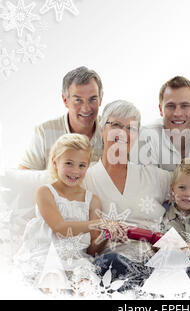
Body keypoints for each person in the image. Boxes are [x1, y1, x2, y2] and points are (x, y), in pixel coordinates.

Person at [14, 134, 124, 292]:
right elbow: (60, 227)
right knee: (52, 281)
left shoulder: (92, 200)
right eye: (69, 163)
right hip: (47, 254)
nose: (75, 171)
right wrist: (98, 223)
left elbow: (92, 250)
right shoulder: (45, 192)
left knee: (86, 284)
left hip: (76, 259)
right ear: (55, 162)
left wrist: (106, 235)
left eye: (82, 165)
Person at [84, 100, 172, 291]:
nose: (122, 133)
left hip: (154, 259)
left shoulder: (156, 177)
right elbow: (86, 247)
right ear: (102, 129)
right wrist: (106, 234)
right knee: (112, 262)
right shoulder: (85, 180)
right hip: (111, 262)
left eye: (130, 128)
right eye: (115, 125)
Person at [18, 66, 104, 170]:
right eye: (78, 100)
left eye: (93, 99)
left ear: (100, 99)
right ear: (65, 100)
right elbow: (24, 177)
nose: (86, 109)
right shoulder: (44, 133)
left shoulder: (114, 130)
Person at [130, 76, 190, 171]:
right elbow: (146, 182)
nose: (177, 113)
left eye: (185, 106)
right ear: (161, 109)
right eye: (170, 106)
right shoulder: (146, 136)